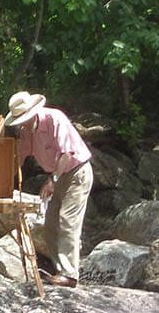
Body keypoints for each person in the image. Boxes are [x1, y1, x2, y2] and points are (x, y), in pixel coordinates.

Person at [5, 91, 93, 288]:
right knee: (50, 223)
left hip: (76, 172)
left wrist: (52, 180)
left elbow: (67, 154)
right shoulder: (26, 131)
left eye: (24, 119)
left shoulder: (55, 118)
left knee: (67, 221)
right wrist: (4, 179)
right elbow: (20, 156)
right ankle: (61, 269)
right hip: (58, 174)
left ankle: (70, 275)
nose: (22, 123)